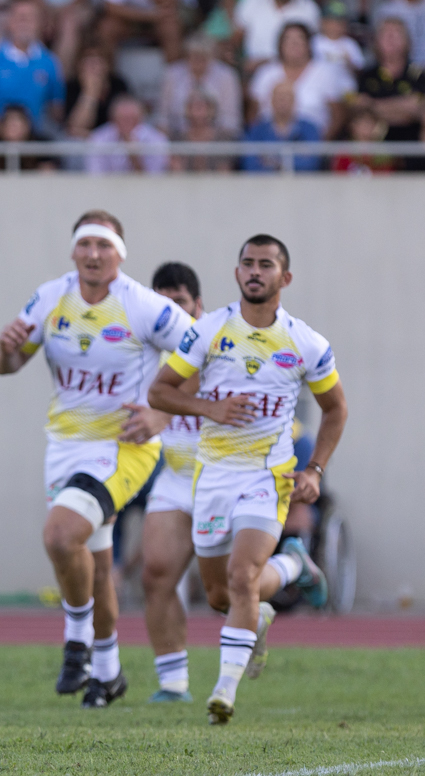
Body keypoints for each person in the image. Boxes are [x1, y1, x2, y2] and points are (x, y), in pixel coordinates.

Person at [0, 211, 194, 708]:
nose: (94, 254)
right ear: (73, 252)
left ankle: (76, 638)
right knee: (94, 565)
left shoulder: (142, 305)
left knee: (61, 536)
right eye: (86, 245)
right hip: (63, 444)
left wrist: (160, 417)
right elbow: (8, 365)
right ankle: (108, 672)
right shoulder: (50, 297)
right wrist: (4, 349)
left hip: (124, 447)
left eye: (104, 246)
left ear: (120, 255)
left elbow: (205, 353)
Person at [148, 233, 346, 725]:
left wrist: (315, 469)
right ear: (237, 274)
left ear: (285, 277)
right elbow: (161, 392)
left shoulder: (306, 342)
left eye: (266, 264)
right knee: (222, 595)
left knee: (241, 578)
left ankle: (224, 691)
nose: (255, 271)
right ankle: (296, 566)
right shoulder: (208, 331)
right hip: (213, 475)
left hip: (267, 475)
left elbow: (336, 408)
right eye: (247, 264)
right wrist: (209, 407)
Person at [134, 261, 203, 703]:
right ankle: (173, 683)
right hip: (177, 477)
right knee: (156, 574)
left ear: (199, 305)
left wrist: (163, 412)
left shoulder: (215, 338)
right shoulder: (148, 346)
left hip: (229, 477)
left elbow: (190, 382)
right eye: (162, 304)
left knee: (226, 592)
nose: (170, 313)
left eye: (178, 303)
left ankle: (293, 565)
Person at [0, 0, 64, 135]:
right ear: (9, 22)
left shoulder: (50, 62)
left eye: (30, 18)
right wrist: (9, 133)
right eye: (19, 17)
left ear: (40, 23)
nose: (24, 22)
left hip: (35, 135)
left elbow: (56, 111)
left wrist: (26, 136)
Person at [249, 23, 351, 141]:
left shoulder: (325, 73)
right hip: (269, 143)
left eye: (299, 39)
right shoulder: (265, 73)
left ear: (308, 44)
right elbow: (253, 114)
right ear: (280, 44)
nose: (294, 44)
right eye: (288, 39)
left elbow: (338, 115)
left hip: (312, 143)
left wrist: (320, 146)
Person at [352, 18, 425, 142]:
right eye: (385, 33)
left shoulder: (420, 75)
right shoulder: (366, 76)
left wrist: (373, 105)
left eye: (397, 33)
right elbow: (361, 113)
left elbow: (417, 110)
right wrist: (402, 107)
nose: (391, 37)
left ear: (408, 41)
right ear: (376, 41)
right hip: (375, 149)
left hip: (414, 146)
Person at [156, 34, 242, 139]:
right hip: (177, 136)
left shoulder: (227, 76)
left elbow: (232, 119)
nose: (198, 61)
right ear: (187, 56)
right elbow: (162, 116)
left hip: (218, 138)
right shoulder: (172, 74)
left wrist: (208, 134)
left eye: (202, 57)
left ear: (211, 57)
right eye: (194, 56)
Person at [242, 81, 321, 172]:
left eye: (287, 97)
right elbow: (250, 163)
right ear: (271, 100)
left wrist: (275, 163)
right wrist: (289, 163)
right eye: (279, 97)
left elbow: (312, 163)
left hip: (302, 183)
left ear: (295, 100)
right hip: (265, 183)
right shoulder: (257, 130)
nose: (283, 101)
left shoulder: (310, 129)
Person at [86, 94, 169, 174]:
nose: (127, 124)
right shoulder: (98, 138)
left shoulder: (157, 140)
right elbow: (95, 175)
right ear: (113, 119)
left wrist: (135, 158)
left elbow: (155, 179)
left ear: (140, 119)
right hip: (107, 187)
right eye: (122, 119)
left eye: (132, 119)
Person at [231, 0, 320, 74]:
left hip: (296, 71)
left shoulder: (309, 8)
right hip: (253, 71)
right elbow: (236, 40)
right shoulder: (251, 3)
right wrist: (241, 64)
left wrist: (268, 62)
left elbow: (312, 47)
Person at [64, 46, 129, 140]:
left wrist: (97, 137)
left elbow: (124, 123)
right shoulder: (72, 86)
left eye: (98, 62)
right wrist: (89, 93)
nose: (93, 67)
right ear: (79, 66)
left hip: (113, 141)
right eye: (88, 62)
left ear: (107, 65)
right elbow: (76, 128)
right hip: (83, 143)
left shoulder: (118, 85)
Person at [169, 91, 235, 173]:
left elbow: (225, 173)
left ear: (211, 109)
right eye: (194, 106)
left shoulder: (222, 139)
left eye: (201, 106)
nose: (198, 111)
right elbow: (176, 172)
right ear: (187, 109)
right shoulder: (178, 138)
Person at [0, 103, 58, 171]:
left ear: (27, 126)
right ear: (1, 127)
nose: (13, 128)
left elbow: (49, 173)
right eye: (9, 123)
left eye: (17, 124)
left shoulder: (41, 146)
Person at [332, 107, 396, 173]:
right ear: (352, 126)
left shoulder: (382, 152)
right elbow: (339, 175)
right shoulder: (344, 150)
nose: (365, 127)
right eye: (361, 123)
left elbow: (386, 176)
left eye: (369, 123)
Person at [312, 1, 363, 76]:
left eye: (340, 22)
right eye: (331, 22)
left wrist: (349, 62)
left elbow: (359, 69)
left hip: (346, 86)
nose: (335, 26)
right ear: (323, 22)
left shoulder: (350, 44)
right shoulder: (314, 42)